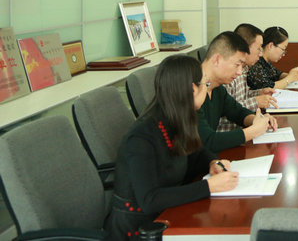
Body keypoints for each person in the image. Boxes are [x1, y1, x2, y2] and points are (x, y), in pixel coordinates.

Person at [106, 55, 239, 240]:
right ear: (193, 89)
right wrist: (209, 186)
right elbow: (150, 200)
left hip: (169, 213)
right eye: (206, 84)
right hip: (140, 229)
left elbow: (196, 152)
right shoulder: (141, 137)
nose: (207, 88)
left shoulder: (177, 116)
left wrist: (213, 162)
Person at [197, 31, 278, 153]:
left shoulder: (217, 88)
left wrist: (256, 120)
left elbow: (237, 111)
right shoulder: (192, 89)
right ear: (217, 60)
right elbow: (207, 141)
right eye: (237, 65)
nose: (240, 72)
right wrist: (253, 131)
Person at [217, 23, 278, 132]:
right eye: (258, 49)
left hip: (243, 128)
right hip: (229, 133)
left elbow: (240, 98)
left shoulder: (244, 68)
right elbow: (227, 110)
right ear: (244, 47)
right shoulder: (227, 73)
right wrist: (255, 102)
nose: (260, 54)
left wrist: (258, 93)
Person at [247, 26, 298, 90]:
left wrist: (294, 75)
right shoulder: (255, 62)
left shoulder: (266, 61)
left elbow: (277, 74)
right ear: (271, 46)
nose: (283, 54)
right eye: (283, 49)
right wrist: (290, 78)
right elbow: (267, 88)